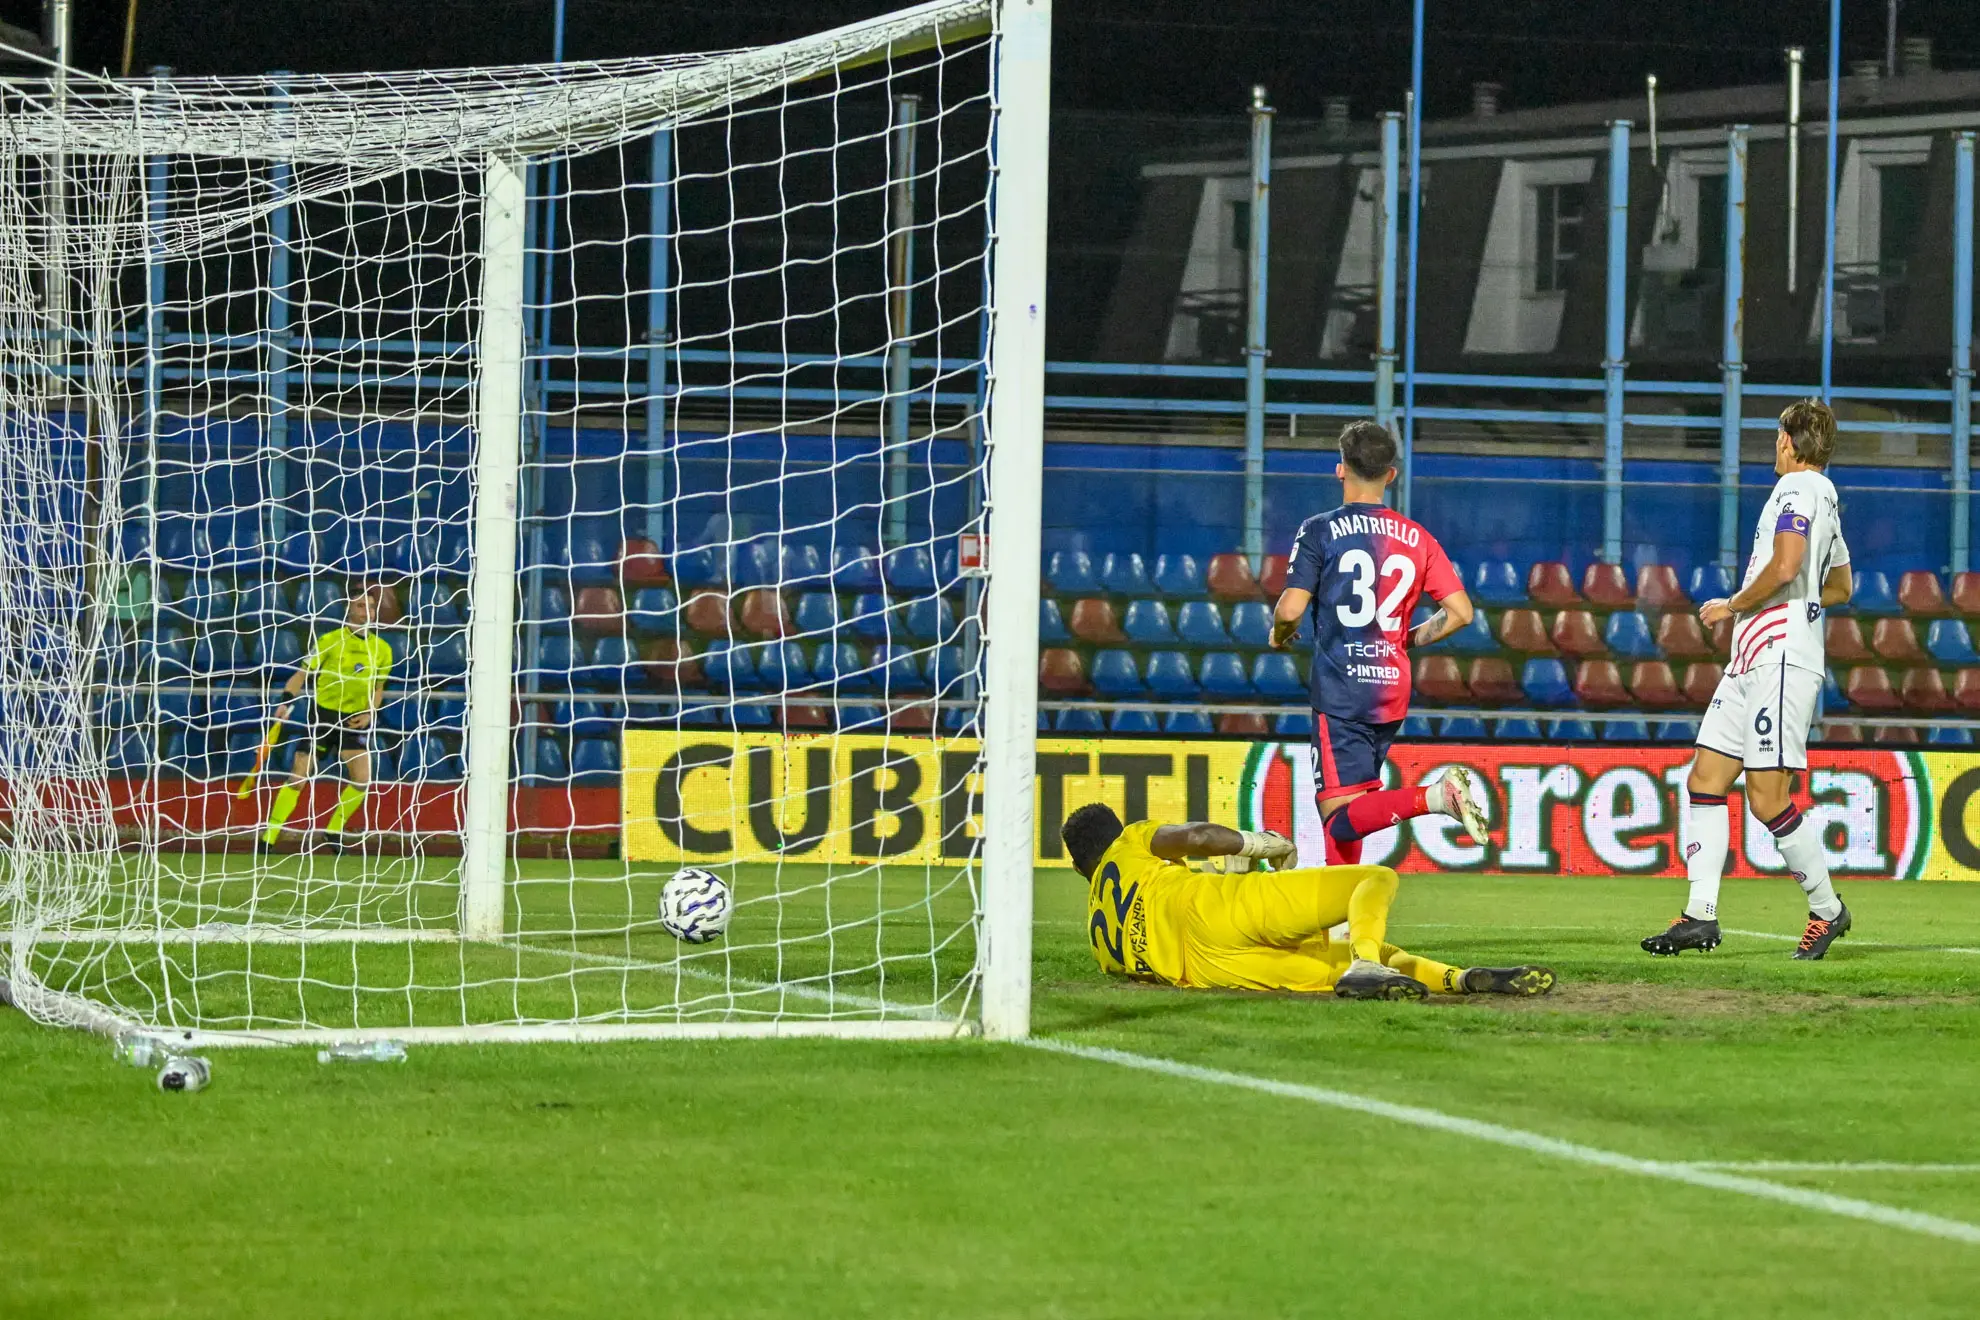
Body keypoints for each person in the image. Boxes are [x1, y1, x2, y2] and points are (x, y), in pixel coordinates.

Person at [1641, 399, 1855, 960]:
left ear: (1789, 440)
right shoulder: (1824, 496)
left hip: (1779, 660)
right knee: (1705, 779)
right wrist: (1796, 601)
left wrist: (1733, 605)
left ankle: (1828, 910)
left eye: (1778, 436)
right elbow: (1840, 585)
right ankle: (1699, 916)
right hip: (1753, 662)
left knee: (1767, 799)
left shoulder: (1798, 491)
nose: (1775, 445)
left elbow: (1785, 568)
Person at [1062, 801, 1556, 1001]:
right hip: (1212, 907)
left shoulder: (1095, 933)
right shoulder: (1131, 842)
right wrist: (1258, 845)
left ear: (1080, 867)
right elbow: (1198, 835)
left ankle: (1461, 979)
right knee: (1374, 881)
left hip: (1207, 970)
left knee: (1332, 973)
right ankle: (1372, 964)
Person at [1270, 420, 1488, 864]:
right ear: (1391, 475)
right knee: (1354, 807)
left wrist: (1280, 634)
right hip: (1390, 688)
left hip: (1342, 687)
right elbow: (1462, 613)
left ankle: (1435, 797)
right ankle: (1344, 929)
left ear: (1340, 469)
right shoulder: (1418, 538)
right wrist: (1403, 640)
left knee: (1337, 816)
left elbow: (1290, 609)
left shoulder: (1319, 529)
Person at [257, 586, 395, 851]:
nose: (366, 612)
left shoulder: (383, 649)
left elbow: (379, 690)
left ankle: (333, 831)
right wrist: (286, 701)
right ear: (348, 608)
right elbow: (300, 674)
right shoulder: (329, 640)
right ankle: (270, 836)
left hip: (353, 720)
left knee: (362, 780)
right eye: (360, 606)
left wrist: (369, 713)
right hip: (322, 717)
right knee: (298, 777)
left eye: (371, 607)